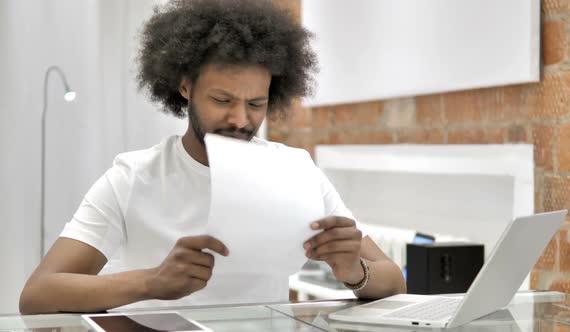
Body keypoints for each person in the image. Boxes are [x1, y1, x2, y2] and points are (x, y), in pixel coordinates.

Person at [19, 0, 406, 314]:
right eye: (222, 100)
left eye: (256, 103)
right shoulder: (134, 176)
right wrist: (151, 282)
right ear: (185, 86)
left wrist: (353, 271)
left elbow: (393, 280)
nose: (240, 119)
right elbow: (38, 295)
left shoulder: (295, 169)